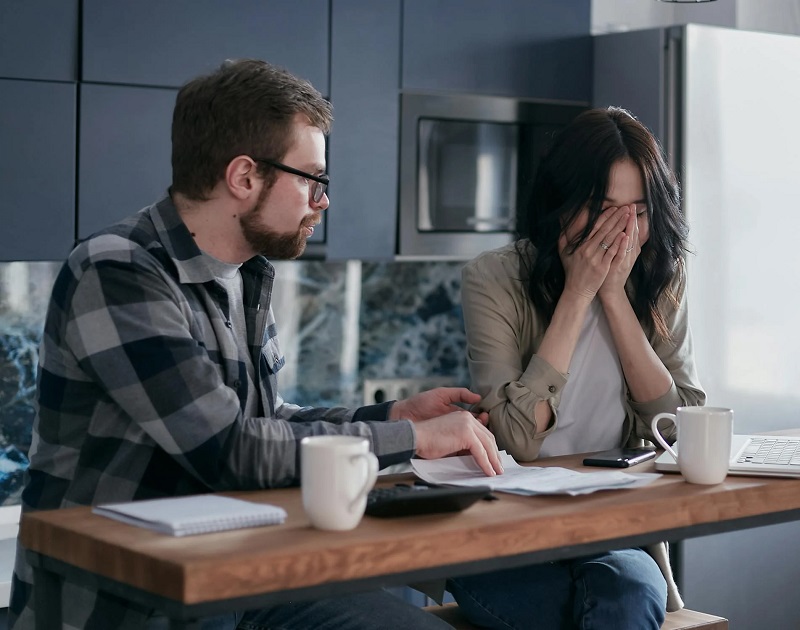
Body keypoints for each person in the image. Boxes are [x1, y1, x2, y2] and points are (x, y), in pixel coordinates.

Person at [9, 59, 504, 630]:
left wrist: (390, 413)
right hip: (133, 604)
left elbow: (265, 419)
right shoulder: (118, 272)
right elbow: (230, 449)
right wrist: (413, 437)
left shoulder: (244, 273)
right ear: (244, 177)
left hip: (241, 579)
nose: (322, 201)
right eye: (312, 179)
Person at [448, 106, 706, 629]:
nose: (622, 230)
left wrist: (614, 299)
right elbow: (516, 440)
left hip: (611, 533)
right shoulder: (494, 279)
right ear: (561, 205)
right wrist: (579, 293)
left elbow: (681, 432)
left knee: (628, 589)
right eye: (603, 208)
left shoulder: (659, 278)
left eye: (638, 210)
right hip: (503, 531)